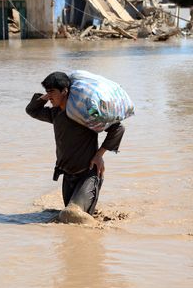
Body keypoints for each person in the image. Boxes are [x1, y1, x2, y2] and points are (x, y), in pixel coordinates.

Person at [26, 71, 125, 217]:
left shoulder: (85, 112)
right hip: (68, 175)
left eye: (52, 91)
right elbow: (32, 110)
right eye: (47, 92)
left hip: (89, 174)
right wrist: (48, 95)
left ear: (65, 91)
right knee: (69, 215)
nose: (49, 96)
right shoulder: (54, 114)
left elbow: (118, 128)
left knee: (73, 213)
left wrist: (99, 155)